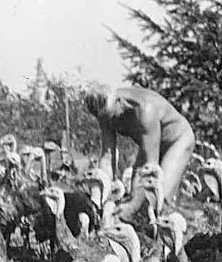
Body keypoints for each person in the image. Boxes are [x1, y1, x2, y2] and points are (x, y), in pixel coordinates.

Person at [82, 85, 195, 222]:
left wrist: (133, 206)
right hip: (149, 144)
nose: (111, 122)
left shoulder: (145, 110)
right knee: (133, 196)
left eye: (112, 116)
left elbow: (150, 170)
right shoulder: (105, 111)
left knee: (158, 200)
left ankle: (159, 238)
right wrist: (102, 197)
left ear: (119, 101)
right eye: (105, 119)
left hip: (177, 141)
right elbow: (107, 155)